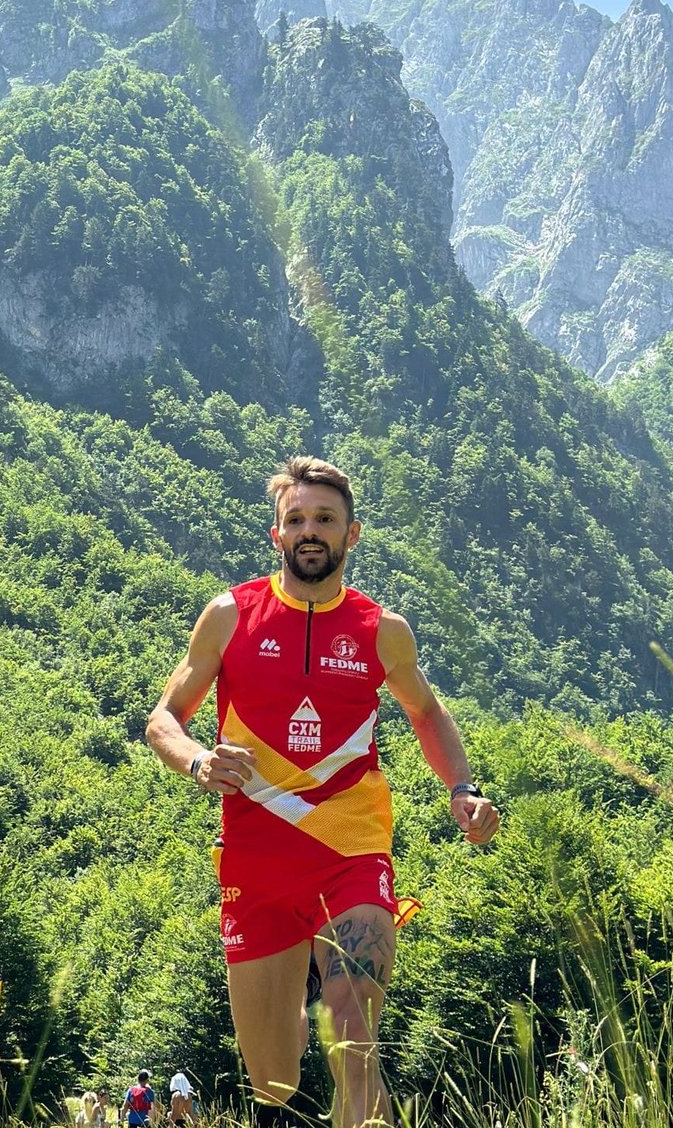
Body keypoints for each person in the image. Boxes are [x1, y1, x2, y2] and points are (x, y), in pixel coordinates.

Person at [145, 457, 500, 1128]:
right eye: (297, 519)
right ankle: (289, 1034)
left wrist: (463, 787)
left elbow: (427, 713)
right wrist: (196, 761)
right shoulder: (228, 616)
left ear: (351, 535)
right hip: (255, 866)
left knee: (354, 1040)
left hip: (352, 855)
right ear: (277, 534)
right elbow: (163, 719)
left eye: (325, 520)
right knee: (272, 1086)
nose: (311, 530)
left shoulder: (380, 630)